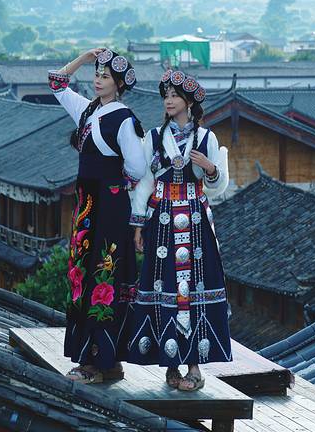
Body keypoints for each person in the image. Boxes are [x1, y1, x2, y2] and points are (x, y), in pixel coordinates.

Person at [127, 69, 231, 391]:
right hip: (162, 220)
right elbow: (145, 181)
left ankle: (195, 366)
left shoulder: (206, 138)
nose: (169, 101)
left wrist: (210, 168)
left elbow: (218, 186)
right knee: (165, 286)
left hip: (196, 219)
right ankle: (170, 363)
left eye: (175, 96)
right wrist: (138, 224)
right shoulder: (154, 137)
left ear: (188, 101)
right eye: (166, 96)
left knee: (195, 288)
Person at [48, 47, 146, 383]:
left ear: (119, 84)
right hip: (87, 206)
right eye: (97, 74)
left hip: (109, 207)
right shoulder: (89, 110)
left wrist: (116, 186)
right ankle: (99, 361)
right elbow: (57, 83)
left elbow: (137, 167)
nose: (98, 80)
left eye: (106, 76)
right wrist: (82, 58)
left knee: (103, 277)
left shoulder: (124, 119)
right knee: (83, 276)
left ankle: (99, 362)